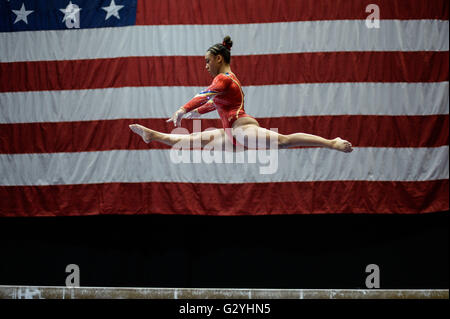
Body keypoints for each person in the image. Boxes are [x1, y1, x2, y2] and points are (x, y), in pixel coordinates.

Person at [129, 36, 353, 153]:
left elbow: (205, 95)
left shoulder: (224, 78)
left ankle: (331, 143)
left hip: (241, 128)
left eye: (207, 61)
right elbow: (213, 102)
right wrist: (195, 113)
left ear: (219, 58)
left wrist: (183, 109)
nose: (205, 66)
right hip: (231, 132)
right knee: (188, 142)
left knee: (284, 141)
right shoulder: (224, 82)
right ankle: (153, 135)